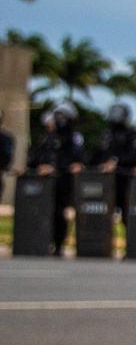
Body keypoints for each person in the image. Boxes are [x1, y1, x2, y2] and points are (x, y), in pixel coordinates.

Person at [28, 102, 88, 250]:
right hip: (43, 182)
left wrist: (56, 167)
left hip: (62, 181)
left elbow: (77, 159)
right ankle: (39, 242)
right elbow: (37, 157)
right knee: (39, 211)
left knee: (58, 212)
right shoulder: (48, 137)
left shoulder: (74, 137)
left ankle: (58, 243)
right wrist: (35, 167)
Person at [93, 101, 136, 217]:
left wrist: (117, 162)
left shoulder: (133, 135)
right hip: (105, 183)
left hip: (127, 182)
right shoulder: (106, 135)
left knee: (128, 214)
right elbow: (96, 155)